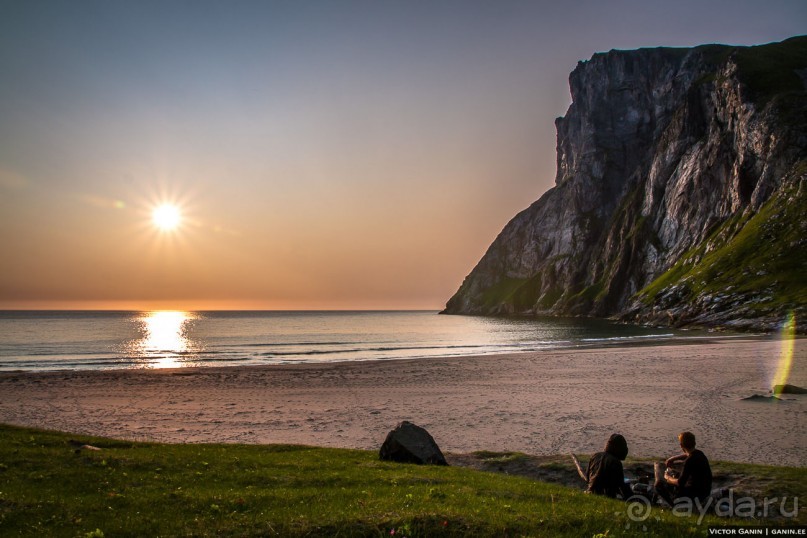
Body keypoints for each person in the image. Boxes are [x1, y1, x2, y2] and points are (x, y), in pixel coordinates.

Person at [655, 431, 712, 506]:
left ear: (681, 445)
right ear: (694, 443)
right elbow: (687, 454)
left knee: (658, 485)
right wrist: (673, 458)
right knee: (677, 475)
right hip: (705, 491)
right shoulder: (700, 454)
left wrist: (668, 478)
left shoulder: (689, 461)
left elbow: (680, 483)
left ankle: (673, 505)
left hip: (694, 495)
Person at [586, 433, 633, 499]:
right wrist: (632, 497)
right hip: (606, 495)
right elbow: (620, 485)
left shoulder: (595, 456)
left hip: (591, 491)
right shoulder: (615, 462)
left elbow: (587, 476)